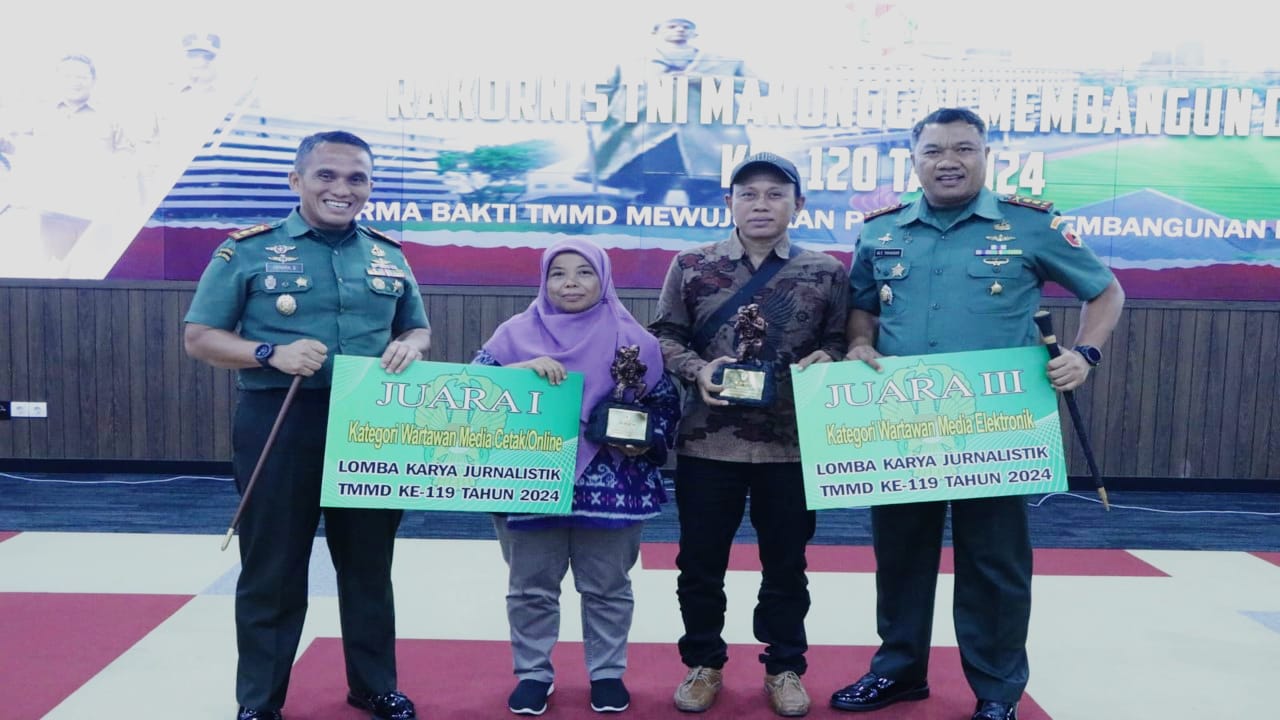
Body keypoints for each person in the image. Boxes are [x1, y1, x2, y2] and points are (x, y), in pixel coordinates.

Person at [832, 107, 1125, 720]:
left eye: (963, 149)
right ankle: (899, 670)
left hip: (995, 422)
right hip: (902, 419)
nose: (948, 161)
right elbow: (862, 305)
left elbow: (1105, 291)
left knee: (995, 562)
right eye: (934, 150)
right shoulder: (881, 231)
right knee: (900, 555)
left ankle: (997, 690)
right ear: (914, 160)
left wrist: (1085, 354)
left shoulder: (1030, 225)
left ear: (986, 156)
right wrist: (858, 343)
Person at [183, 130, 429, 720]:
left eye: (357, 178)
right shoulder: (247, 250)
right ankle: (259, 701)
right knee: (273, 566)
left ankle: (373, 685)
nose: (342, 188)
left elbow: (416, 327)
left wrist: (411, 346)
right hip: (281, 419)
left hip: (370, 422)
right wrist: (269, 353)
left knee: (369, 565)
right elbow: (200, 337)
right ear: (297, 180)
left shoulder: (388, 254)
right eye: (326, 175)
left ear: (369, 187)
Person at [649, 151, 849, 716]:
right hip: (708, 442)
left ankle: (784, 667)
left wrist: (830, 359)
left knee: (787, 566)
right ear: (729, 202)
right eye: (749, 194)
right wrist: (696, 369)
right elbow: (663, 336)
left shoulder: (826, 271)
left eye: (775, 194)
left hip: (791, 446)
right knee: (699, 564)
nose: (761, 204)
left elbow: (839, 340)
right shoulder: (692, 264)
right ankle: (704, 662)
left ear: (798, 204)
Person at [474, 237, 681, 715]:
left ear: (604, 279)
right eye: (558, 273)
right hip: (529, 482)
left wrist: (644, 439)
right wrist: (521, 371)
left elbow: (666, 408)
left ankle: (607, 673)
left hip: (613, 486)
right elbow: (473, 395)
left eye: (584, 272)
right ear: (543, 281)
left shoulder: (636, 341)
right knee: (530, 588)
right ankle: (533, 674)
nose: (571, 282)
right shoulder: (512, 335)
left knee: (608, 588)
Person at [584, 17, 754, 206]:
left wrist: (707, 80)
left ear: (694, 33)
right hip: (648, 135)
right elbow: (603, 89)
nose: (679, 29)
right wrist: (588, 108)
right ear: (656, 32)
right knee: (648, 185)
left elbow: (761, 87)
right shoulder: (631, 62)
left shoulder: (723, 62)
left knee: (708, 186)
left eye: (686, 26)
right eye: (672, 26)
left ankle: (708, 211)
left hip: (707, 136)